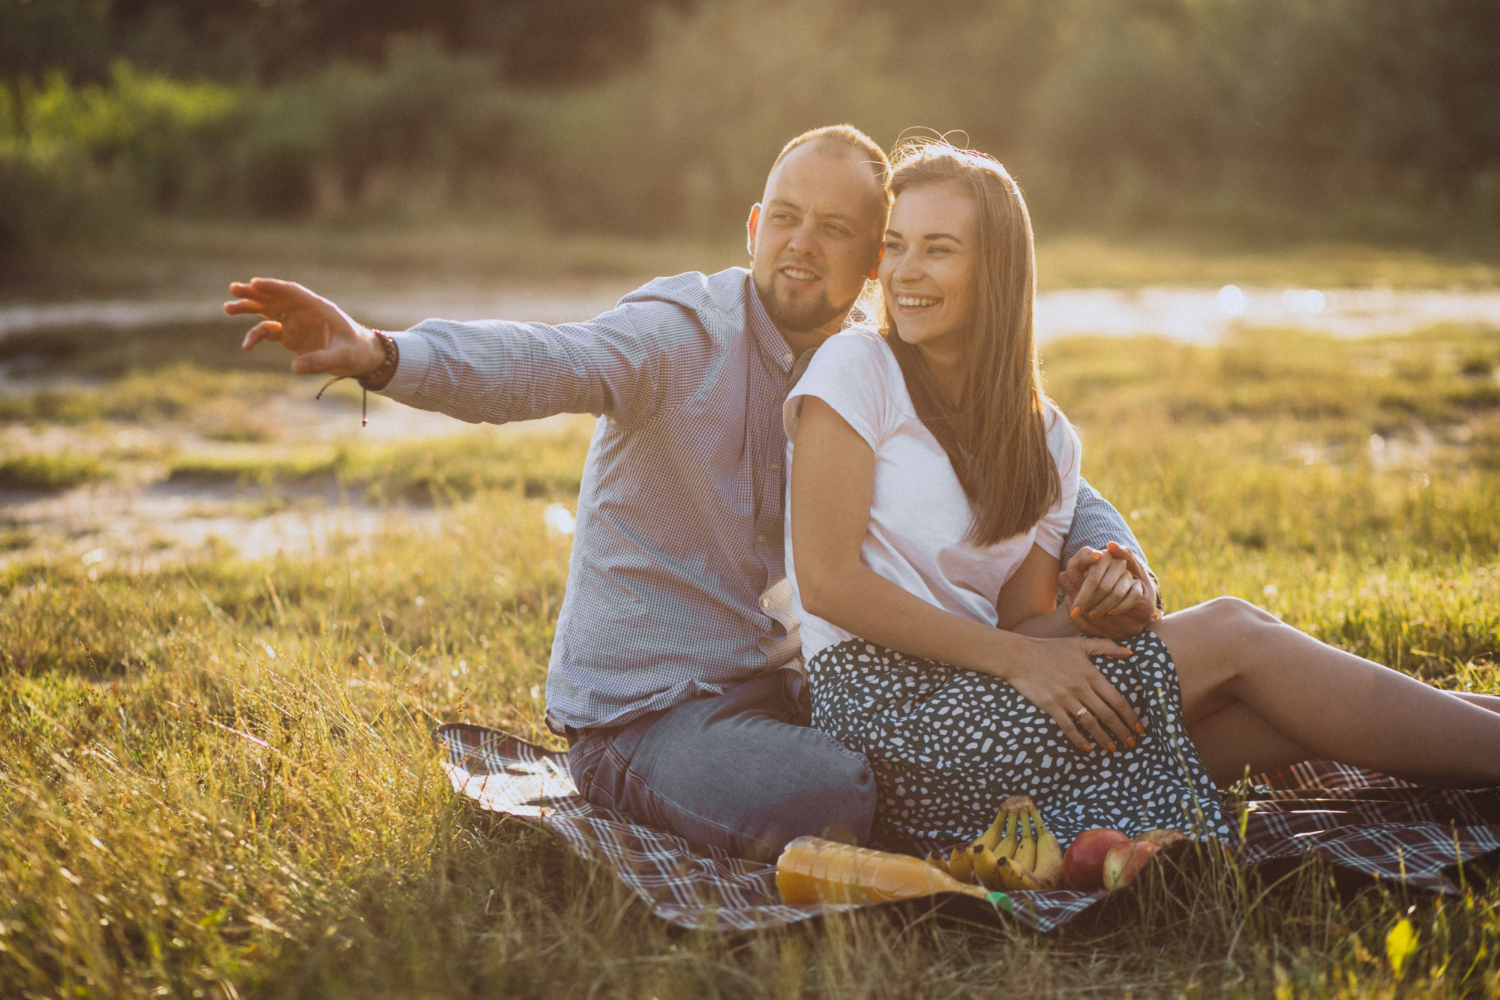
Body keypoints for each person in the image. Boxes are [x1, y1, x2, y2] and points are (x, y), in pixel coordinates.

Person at [225, 125, 1158, 861]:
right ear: (752, 228)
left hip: (800, 690)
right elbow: (554, 359)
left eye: (837, 229)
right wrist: (388, 356)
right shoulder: (682, 335)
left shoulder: (881, 366)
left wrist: (1116, 553)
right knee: (835, 794)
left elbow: (1030, 462)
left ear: (876, 258)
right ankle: (645, 788)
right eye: (785, 218)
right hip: (651, 710)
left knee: (914, 750)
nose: (802, 245)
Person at [785, 140, 1500, 852]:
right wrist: (1020, 662)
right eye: (897, 245)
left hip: (999, 704)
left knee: (1275, 716)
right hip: (893, 728)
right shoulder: (858, 366)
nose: (905, 273)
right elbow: (828, 584)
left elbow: (1025, 626)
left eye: (938, 250)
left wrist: (1099, 611)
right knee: (1235, 632)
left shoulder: (1047, 441)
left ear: (995, 269)